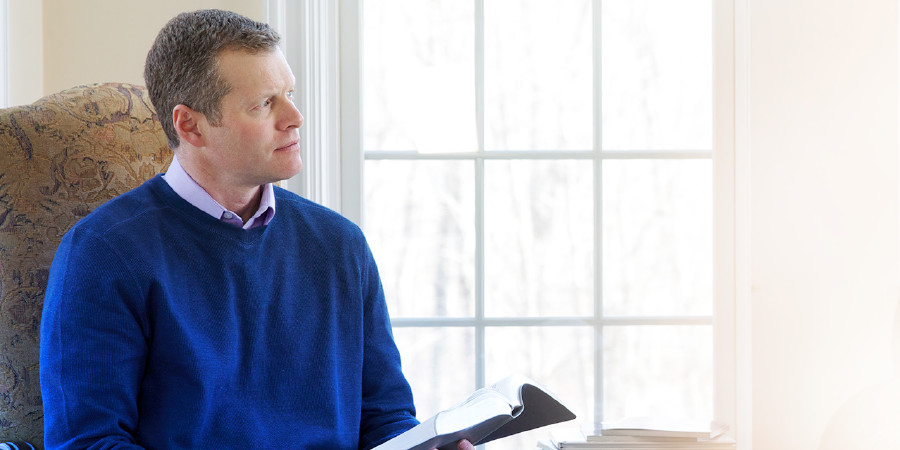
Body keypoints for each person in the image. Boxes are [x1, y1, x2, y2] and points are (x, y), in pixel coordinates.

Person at [39, 9, 474, 450]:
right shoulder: (101, 253)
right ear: (190, 125)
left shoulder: (341, 245)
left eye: (288, 94)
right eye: (265, 103)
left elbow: (385, 419)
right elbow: (88, 443)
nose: (295, 117)